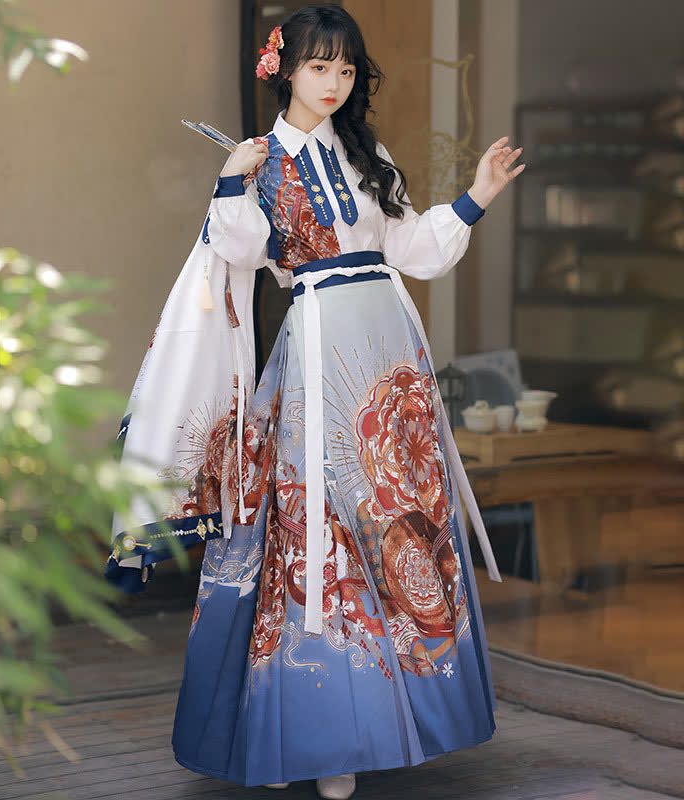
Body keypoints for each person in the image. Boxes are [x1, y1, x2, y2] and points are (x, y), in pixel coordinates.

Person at [106, 4, 525, 798]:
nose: (333, 83)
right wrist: (231, 182)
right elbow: (239, 252)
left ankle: (392, 723)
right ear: (284, 70)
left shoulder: (370, 156)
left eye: (345, 69)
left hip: (389, 359)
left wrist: (474, 196)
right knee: (317, 529)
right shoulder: (258, 161)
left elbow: (412, 251)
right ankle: (318, 739)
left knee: (399, 519)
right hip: (318, 352)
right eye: (318, 67)